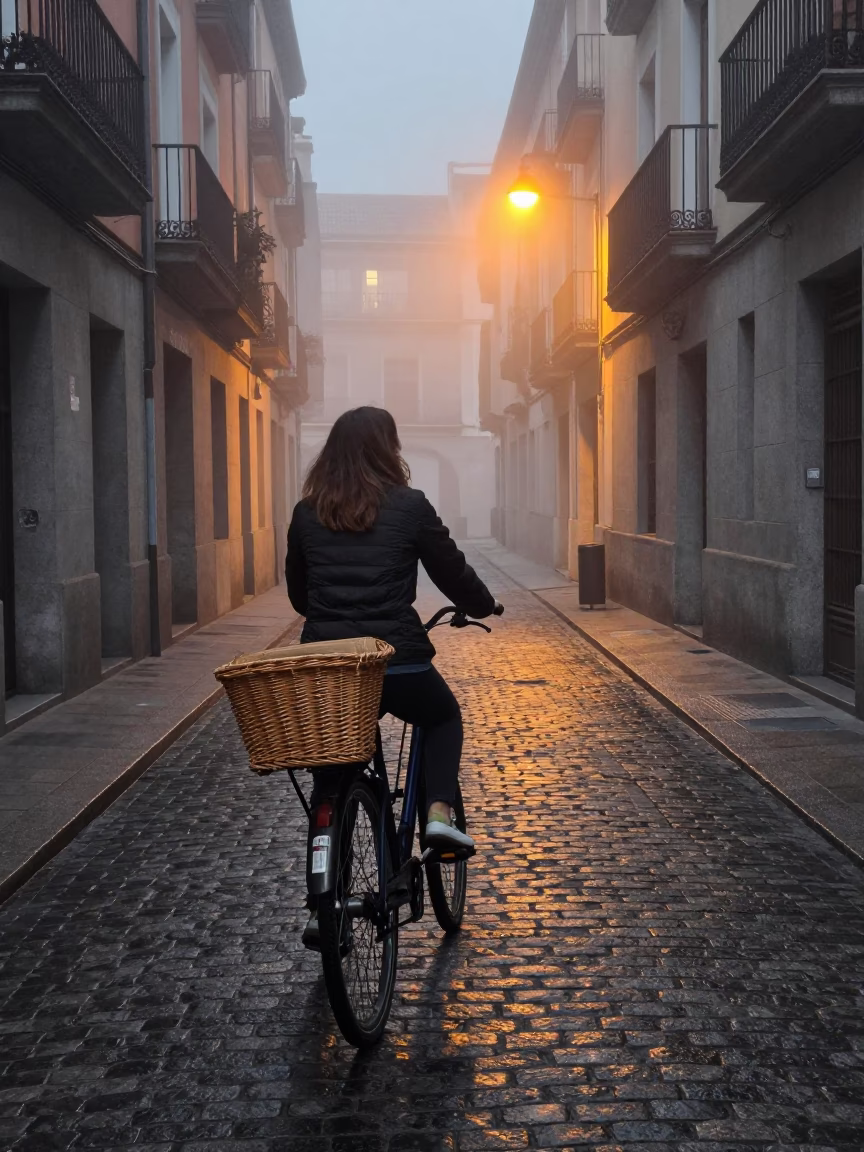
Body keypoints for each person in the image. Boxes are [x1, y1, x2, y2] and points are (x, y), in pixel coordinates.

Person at [285, 405, 498, 857]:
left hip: (331, 666)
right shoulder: (409, 505)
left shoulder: (306, 513)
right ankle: (438, 817)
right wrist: (481, 604)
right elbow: (451, 571)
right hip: (396, 661)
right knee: (442, 717)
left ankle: (326, 904)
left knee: (334, 771)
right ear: (389, 450)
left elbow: (300, 597)